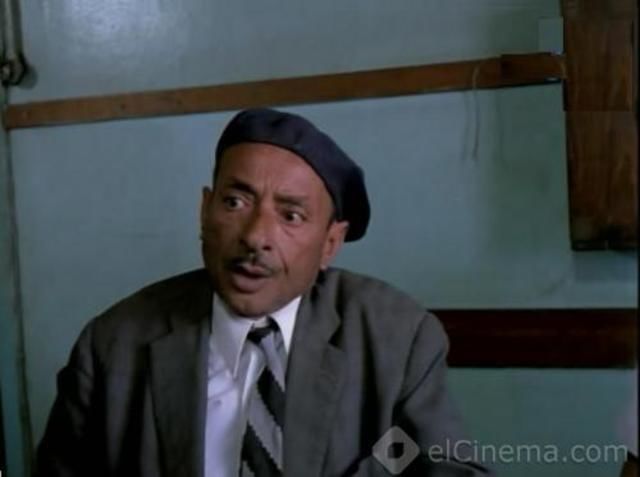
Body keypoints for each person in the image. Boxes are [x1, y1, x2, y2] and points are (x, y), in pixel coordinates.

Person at [35, 108, 492, 476]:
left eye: (291, 216)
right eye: (235, 202)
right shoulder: (113, 346)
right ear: (204, 210)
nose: (255, 236)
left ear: (330, 244)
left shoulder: (397, 336)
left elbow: (443, 464)